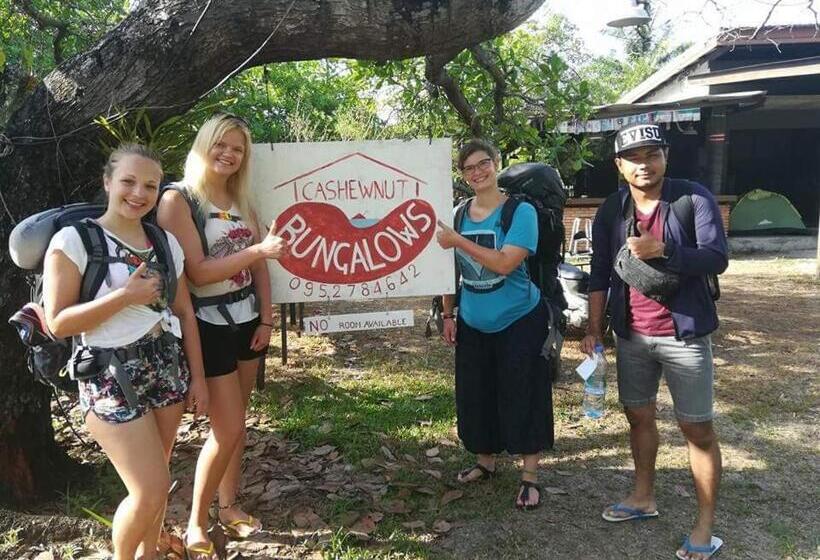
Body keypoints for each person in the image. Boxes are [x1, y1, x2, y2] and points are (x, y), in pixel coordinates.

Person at [43, 144, 209, 560]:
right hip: (108, 372)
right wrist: (124, 296)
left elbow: (185, 312)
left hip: (163, 365)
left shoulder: (164, 241)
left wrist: (199, 379)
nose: (139, 193)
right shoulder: (75, 240)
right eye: (129, 182)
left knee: (159, 478)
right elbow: (58, 322)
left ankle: (148, 554)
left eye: (150, 185)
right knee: (149, 489)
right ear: (107, 182)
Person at [581, 123, 728, 560]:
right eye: (634, 157)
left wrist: (663, 250)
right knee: (638, 417)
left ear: (665, 156)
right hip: (632, 335)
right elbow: (600, 270)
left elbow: (717, 258)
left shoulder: (693, 198)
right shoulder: (613, 208)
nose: (644, 164)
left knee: (696, 428)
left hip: (684, 334)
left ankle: (704, 525)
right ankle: (643, 497)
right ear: (619, 165)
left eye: (652, 154)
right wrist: (593, 329)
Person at [157, 113, 286, 558]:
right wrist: (257, 249)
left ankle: (229, 505)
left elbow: (259, 267)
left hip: (246, 321)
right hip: (206, 326)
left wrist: (267, 319)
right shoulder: (179, 200)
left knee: (237, 423)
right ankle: (195, 522)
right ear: (204, 145)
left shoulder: (240, 198)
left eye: (238, 149)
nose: (229, 154)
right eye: (222, 145)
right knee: (226, 427)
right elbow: (198, 271)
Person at [436, 139, 554, 510]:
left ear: (496, 163)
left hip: (519, 318)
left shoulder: (520, 213)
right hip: (473, 319)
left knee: (524, 392)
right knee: (477, 394)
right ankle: (484, 461)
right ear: (462, 174)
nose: (477, 172)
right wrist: (448, 314)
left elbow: (504, 263)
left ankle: (530, 477)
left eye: (483, 163)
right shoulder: (457, 213)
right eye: (468, 168)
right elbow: (449, 269)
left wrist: (458, 241)